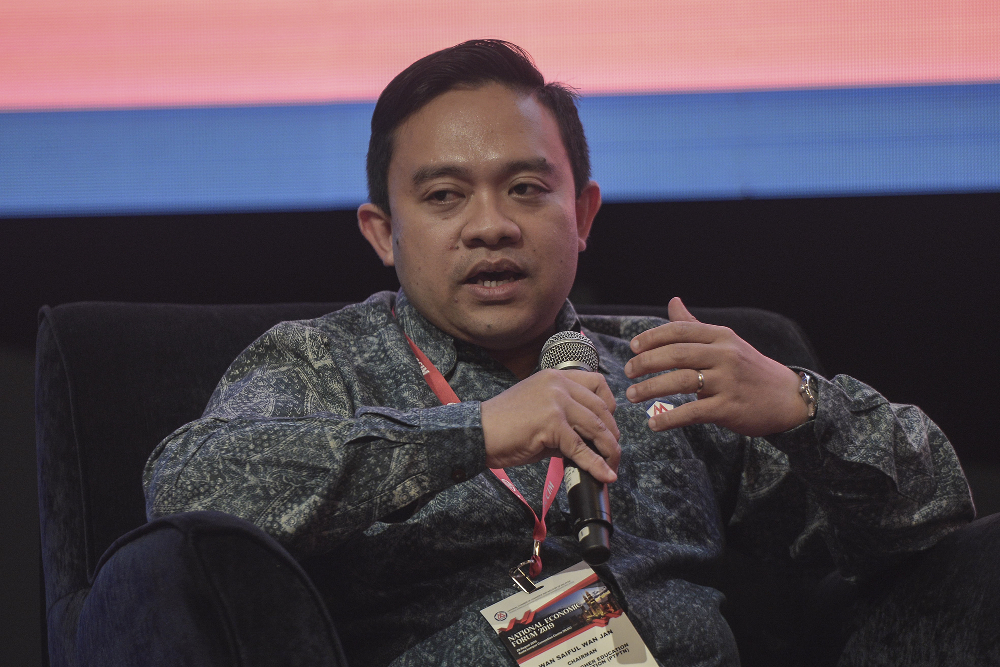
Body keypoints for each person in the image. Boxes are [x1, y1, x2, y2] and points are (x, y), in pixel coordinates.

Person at [144, 40, 974, 667]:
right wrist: (476, 432)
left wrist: (804, 406)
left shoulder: (667, 369)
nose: (491, 224)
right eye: (443, 195)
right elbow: (190, 487)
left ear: (582, 212)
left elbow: (933, 525)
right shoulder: (324, 362)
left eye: (527, 188)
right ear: (381, 233)